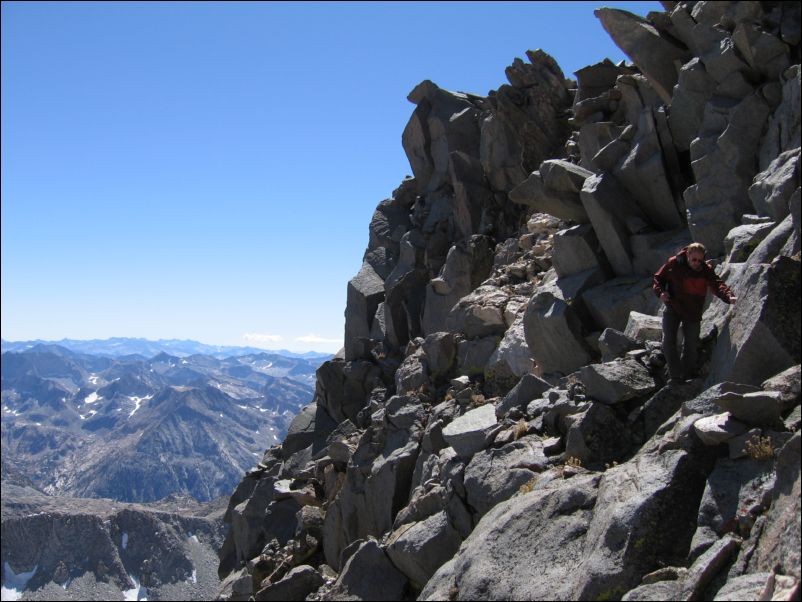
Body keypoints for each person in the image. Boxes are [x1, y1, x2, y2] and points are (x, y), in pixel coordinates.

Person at [652, 242, 737, 384]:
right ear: (687, 255)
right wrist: (660, 293)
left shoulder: (705, 270)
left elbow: (717, 285)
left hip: (693, 311)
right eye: (694, 259)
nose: (697, 263)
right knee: (668, 341)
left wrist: (729, 297)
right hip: (673, 306)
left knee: (691, 345)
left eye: (700, 260)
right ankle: (675, 376)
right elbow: (658, 279)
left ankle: (687, 377)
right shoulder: (674, 264)